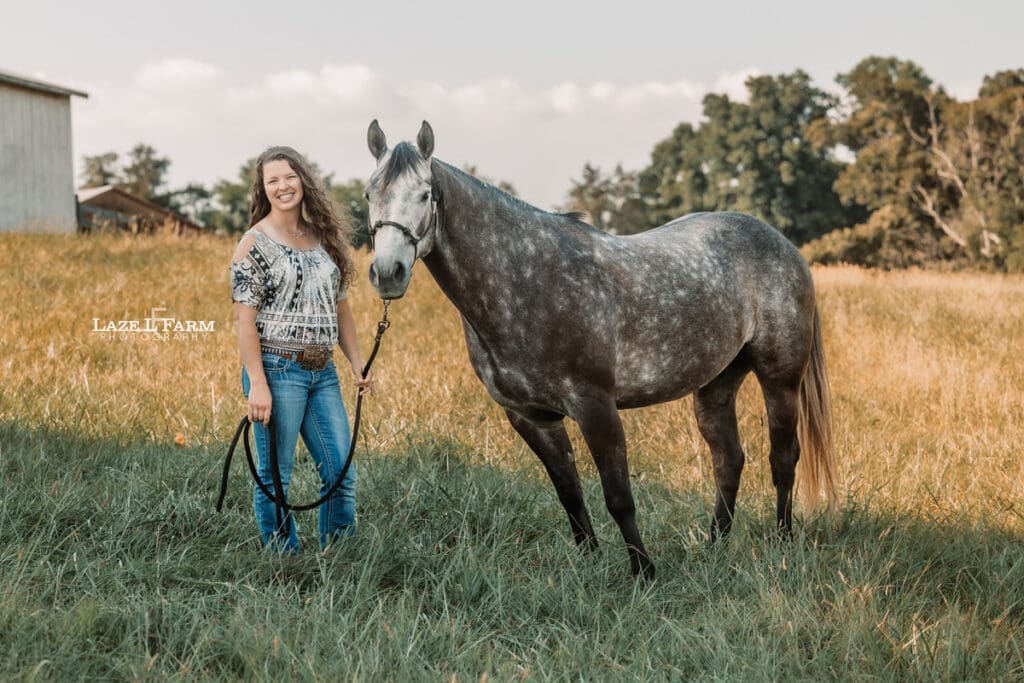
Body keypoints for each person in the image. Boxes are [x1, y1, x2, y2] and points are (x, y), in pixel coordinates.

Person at [230, 146, 372, 554]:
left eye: (288, 177)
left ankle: (339, 554)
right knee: (277, 476)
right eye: (271, 180)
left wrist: (358, 362)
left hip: (322, 372)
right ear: (263, 189)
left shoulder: (323, 238)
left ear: (303, 180)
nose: (282, 186)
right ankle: (282, 558)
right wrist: (257, 383)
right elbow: (244, 320)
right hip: (277, 369)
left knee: (340, 469)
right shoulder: (253, 243)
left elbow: (340, 307)